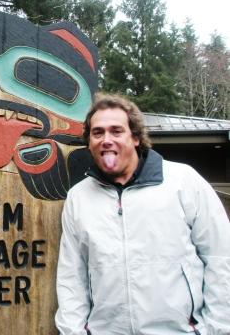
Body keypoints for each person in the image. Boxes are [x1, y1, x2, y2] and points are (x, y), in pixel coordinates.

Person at [55, 93, 230, 335]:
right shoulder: (78, 197)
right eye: (98, 132)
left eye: (116, 131)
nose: (106, 139)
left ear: (135, 137)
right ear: (89, 142)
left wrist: (217, 329)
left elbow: (221, 258)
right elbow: (71, 275)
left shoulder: (183, 181)